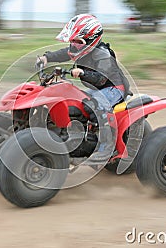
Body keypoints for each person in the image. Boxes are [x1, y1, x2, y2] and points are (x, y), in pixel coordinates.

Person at [37, 14, 130, 162]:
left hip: (113, 88)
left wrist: (83, 73)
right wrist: (47, 58)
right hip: (96, 88)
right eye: (72, 41)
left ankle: (106, 146)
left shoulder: (103, 54)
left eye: (77, 41)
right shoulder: (77, 48)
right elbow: (63, 53)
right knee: (76, 103)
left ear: (91, 40)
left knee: (95, 107)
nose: (73, 44)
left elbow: (101, 79)